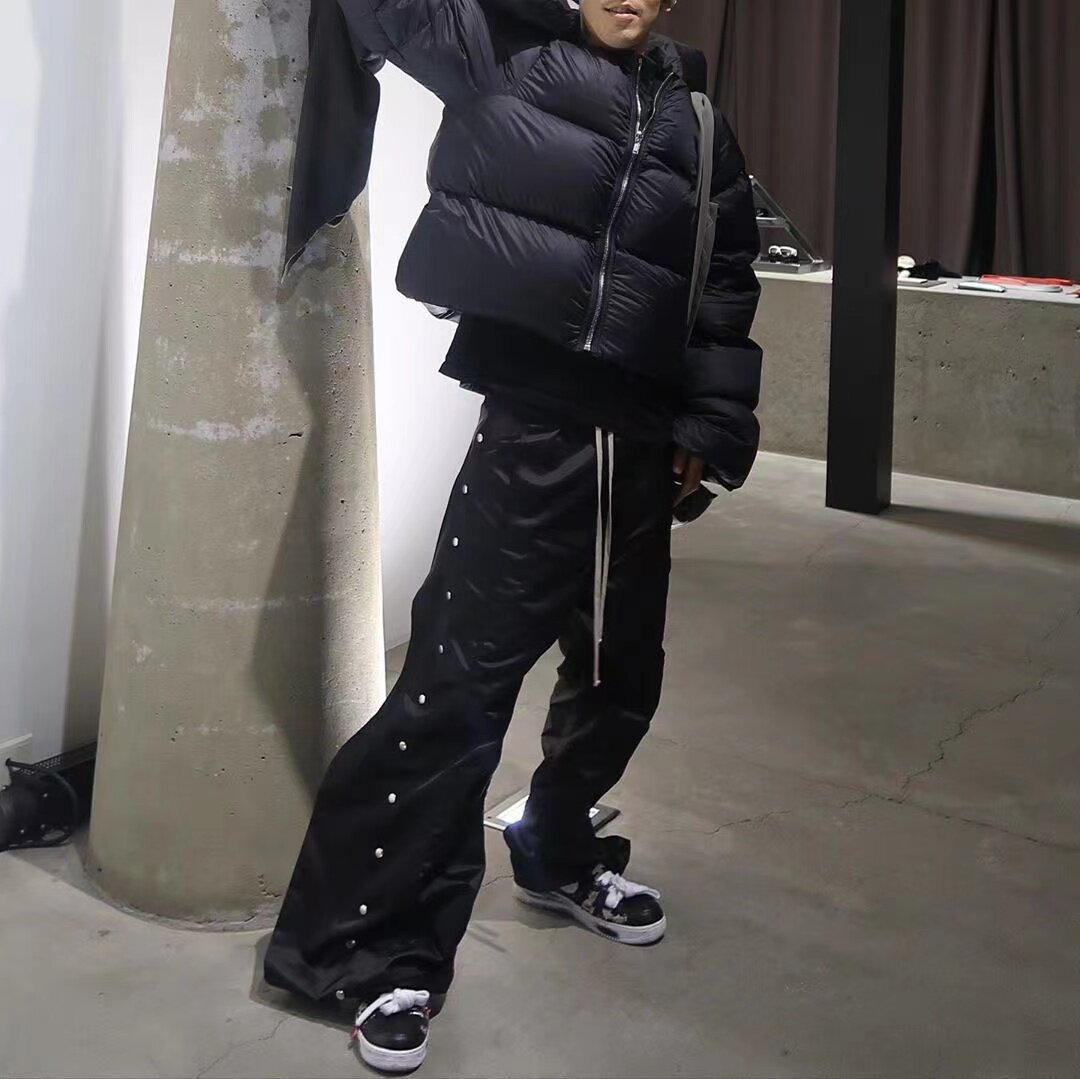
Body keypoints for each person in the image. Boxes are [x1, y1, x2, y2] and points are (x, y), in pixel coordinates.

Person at [265, 0, 763, 1070]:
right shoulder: (507, 51)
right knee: (457, 694)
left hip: (641, 447)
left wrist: (711, 424)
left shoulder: (700, 118)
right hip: (535, 430)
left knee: (620, 678)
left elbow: (724, 278)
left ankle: (557, 843)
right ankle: (373, 950)